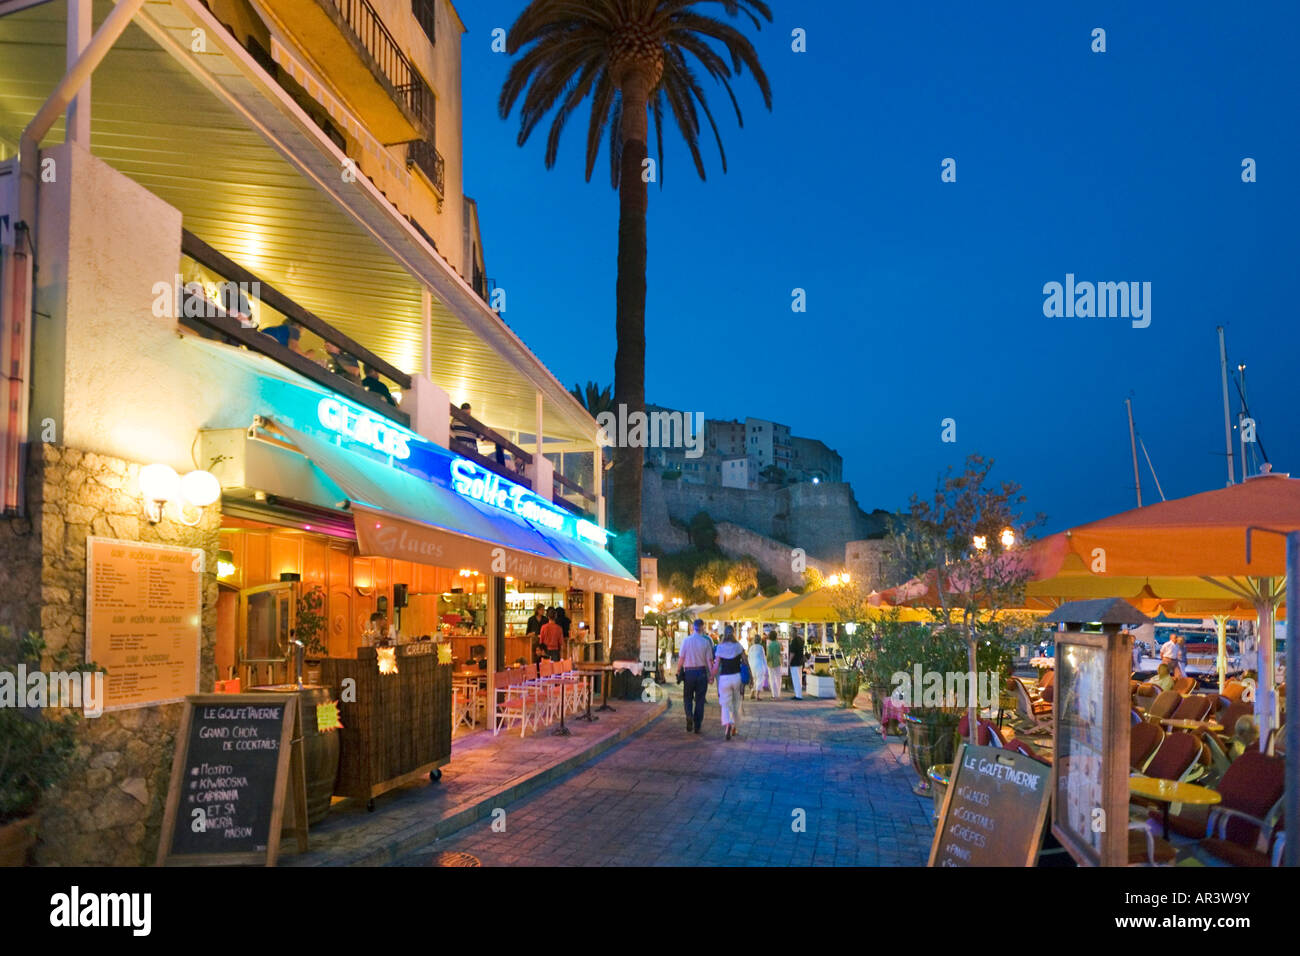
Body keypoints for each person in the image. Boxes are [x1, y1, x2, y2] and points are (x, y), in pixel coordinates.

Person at [677, 619, 714, 734]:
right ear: (702, 628)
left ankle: (689, 715)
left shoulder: (686, 641)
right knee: (700, 699)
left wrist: (678, 670)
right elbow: (709, 661)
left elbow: (681, 658)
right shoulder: (705, 642)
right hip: (701, 672)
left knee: (687, 697)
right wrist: (711, 675)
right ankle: (697, 724)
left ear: (693, 628)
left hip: (689, 673)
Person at [711, 626, 746, 740]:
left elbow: (716, 665)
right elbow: (745, 661)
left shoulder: (720, 647)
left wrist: (711, 676)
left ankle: (728, 725)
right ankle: (735, 725)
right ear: (734, 633)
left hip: (724, 678)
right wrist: (749, 676)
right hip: (736, 677)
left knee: (725, 703)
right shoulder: (738, 646)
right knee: (736, 702)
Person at [746, 632, 768, 701]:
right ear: (760, 640)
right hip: (759, 665)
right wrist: (765, 667)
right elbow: (763, 658)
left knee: (754, 679)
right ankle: (757, 695)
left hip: (752, 665)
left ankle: (752, 693)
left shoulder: (751, 648)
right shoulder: (761, 648)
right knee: (760, 679)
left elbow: (748, 657)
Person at [788, 627, 806, 700]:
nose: (789, 633)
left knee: (796, 679)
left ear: (793, 633)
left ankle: (798, 695)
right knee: (799, 678)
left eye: (790, 632)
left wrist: (789, 661)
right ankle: (798, 694)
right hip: (800, 662)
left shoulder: (794, 641)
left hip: (794, 662)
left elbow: (792, 653)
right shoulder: (800, 640)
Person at [765, 630, 783, 699]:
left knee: (772, 679)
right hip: (778, 662)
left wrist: (767, 660)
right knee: (778, 679)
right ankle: (778, 694)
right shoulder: (778, 644)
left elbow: (769, 655)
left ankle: (774, 695)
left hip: (771, 663)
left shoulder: (770, 645)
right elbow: (779, 652)